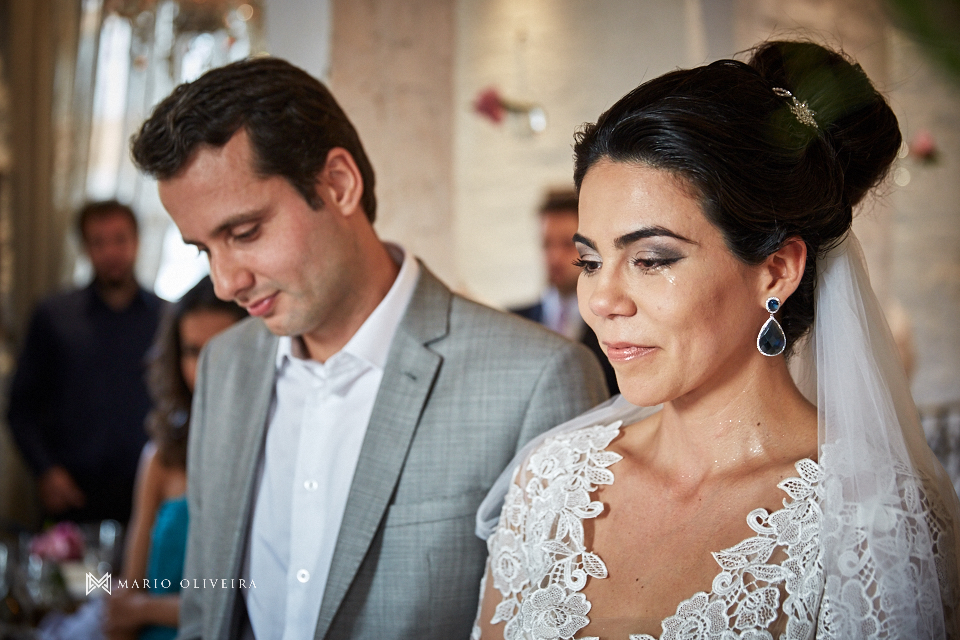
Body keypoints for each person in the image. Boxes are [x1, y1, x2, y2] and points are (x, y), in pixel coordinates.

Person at [474, 40, 960, 639]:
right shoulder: (550, 484)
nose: (603, 302)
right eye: (590, 261)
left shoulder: (874, 520)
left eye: (651, 259)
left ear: (776, 270)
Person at [129, 57, 609, 640]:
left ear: (338, 183)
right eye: (205, 250)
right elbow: (209, 611)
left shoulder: (539, 379)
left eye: (245, 233)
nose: (226, 283)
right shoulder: (226, 366)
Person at [104, 276, 245, 640]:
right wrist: (127, 613)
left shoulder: (271, 456)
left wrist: (146, 609)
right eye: (193, 351)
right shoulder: (161, 458)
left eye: (220, 350)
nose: (205, 368)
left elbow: (255, 599)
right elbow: (127, 593)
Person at [8, 201, 164, 524]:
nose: (111, 252)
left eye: (120, 239)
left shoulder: (166, 318)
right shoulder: (53, 316)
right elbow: (20, 407)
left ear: (136, 241)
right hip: (72, 492)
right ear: (84, 248)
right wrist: (46, 470)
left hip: (149, 490)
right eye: (98, 242)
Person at [512, 189, 618, 394]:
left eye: (567, 245)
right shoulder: (514, 323)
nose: (554, 257)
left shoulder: (614, 319)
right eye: (546, 244)